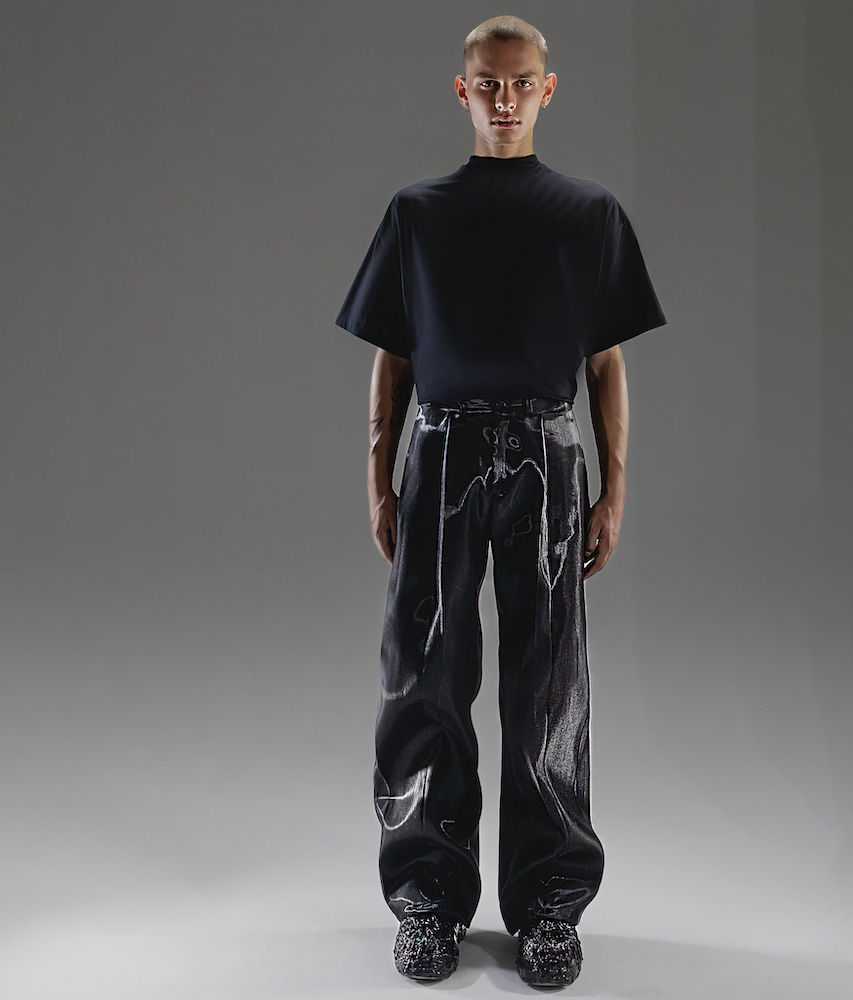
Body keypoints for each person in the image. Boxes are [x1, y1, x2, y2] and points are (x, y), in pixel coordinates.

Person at [335, 14, 666, 987]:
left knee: (548, 682)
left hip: (548, 455)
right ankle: (427, 899)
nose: (505, 99)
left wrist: (614, 485)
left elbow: (605, 363)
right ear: (462, 90)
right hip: (440, 453)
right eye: (488, 83)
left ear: (548, 90)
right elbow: (392, 357)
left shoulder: (589, 214)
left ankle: (549, 906)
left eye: (522, 83)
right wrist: (377, 476)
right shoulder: (417, 213)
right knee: (423, 679)